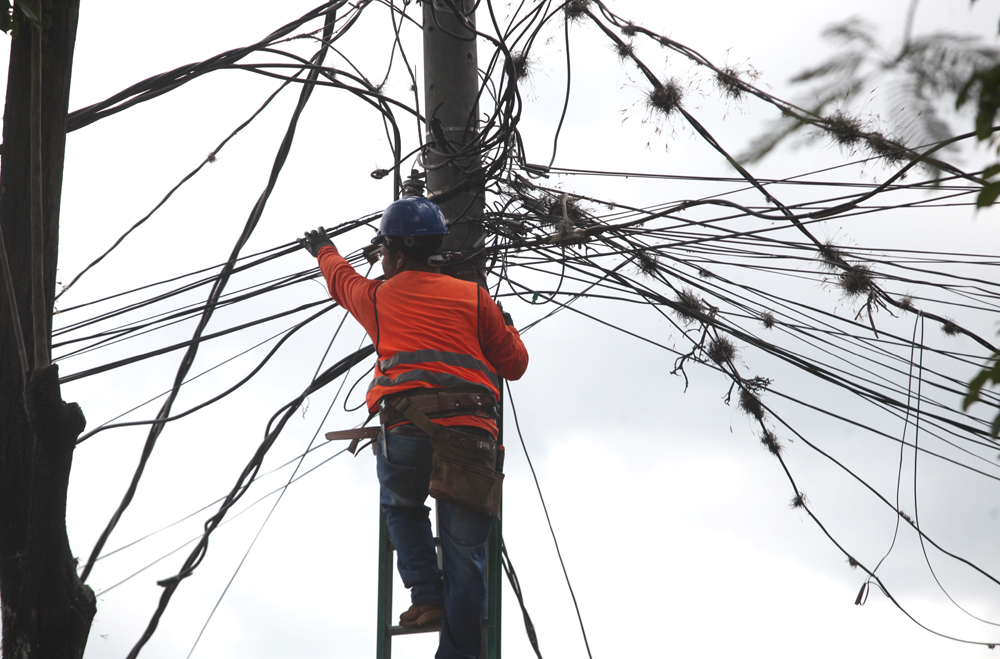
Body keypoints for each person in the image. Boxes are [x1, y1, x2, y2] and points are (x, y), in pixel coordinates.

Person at [300, 197, 528, 659]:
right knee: (467, 555)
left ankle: (426, 596)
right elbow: (515, 365)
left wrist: (324, 248)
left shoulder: (379, 297)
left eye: (384, 250)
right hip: (471, 435)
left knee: (402, 508)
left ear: (399, 254)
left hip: (408, 427)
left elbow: (342, 281)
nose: (381, 259)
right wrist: (505, 324)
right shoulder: (474, 297)